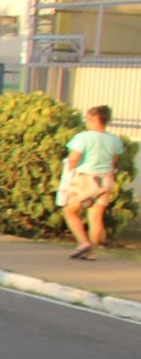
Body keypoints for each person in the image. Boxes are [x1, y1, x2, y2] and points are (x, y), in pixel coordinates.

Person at [62, 104, 125, 261]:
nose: (86, 121)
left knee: (70, 211)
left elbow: (74, 158)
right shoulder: (114, 140)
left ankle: (83, 242)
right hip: (106, 179)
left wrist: (69, 171)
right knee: (96, 217)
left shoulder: (83, 137)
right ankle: (92, 252)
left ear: (95, 118)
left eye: (88, 118)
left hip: (86, 178)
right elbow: (113, 161)